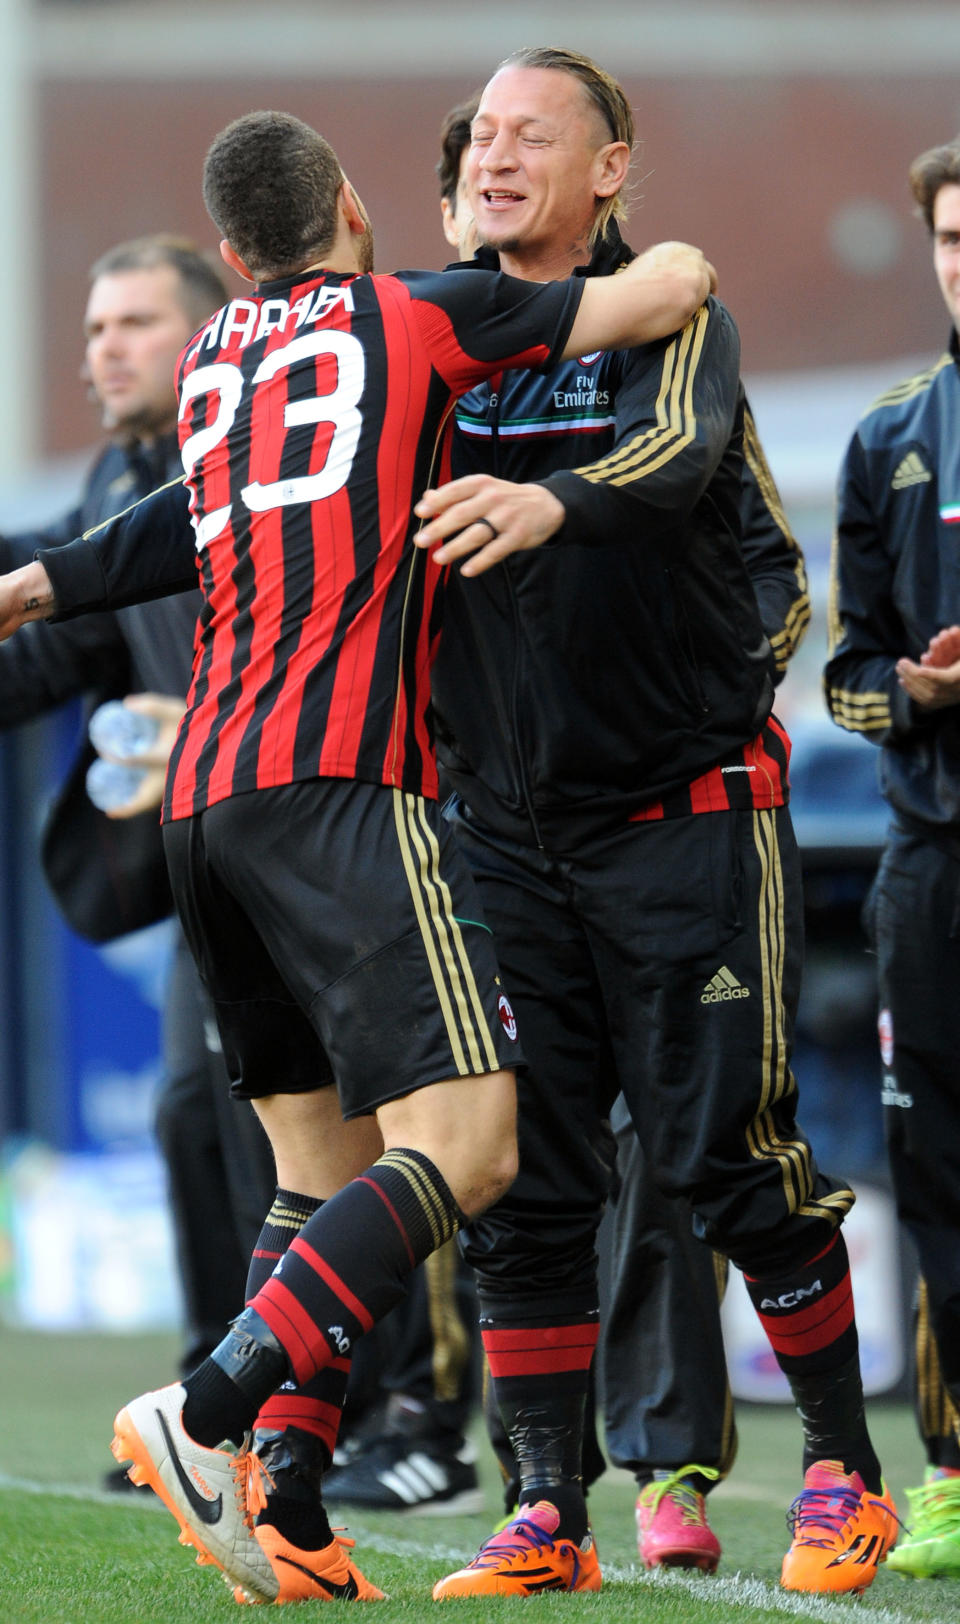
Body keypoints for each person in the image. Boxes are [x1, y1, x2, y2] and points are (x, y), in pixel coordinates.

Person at [0, 111, 714, 1605]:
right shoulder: (417, 311)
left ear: (232, 254)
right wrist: (654, 256)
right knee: (468, 1147)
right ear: (343, 204)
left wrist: (36, 585)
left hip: (203, 806)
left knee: (312, 1173)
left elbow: (163, 531)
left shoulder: (214, 368)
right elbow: (663, 293)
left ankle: (290, 1497)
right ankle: (205, 1415)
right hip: (339, 791)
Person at [409, 47, 894, 1599]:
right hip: (501, 829)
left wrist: (557, 503)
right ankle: (547, 1506)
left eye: (532, 133)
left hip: (682, 812)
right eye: (483, 131)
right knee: (527, 1180)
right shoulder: (430, 340)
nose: (497, 153)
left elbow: (683, 458)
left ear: (610, 167)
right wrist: (53, 580)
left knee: (726, 1158)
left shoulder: (675, 312)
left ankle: (842, 1471)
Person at [0, 235, 276, 1413]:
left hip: (318, 837)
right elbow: (54, 649)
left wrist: (204, 724)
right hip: (207, 859)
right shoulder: (118, 488)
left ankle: (392, 1410)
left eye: (131, 326)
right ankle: (211, 1401)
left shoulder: (269, 456)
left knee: (332, 1136)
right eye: (91, 330)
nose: (99, 353)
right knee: (189, 1113)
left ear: (208, 334)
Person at [824, 132, 960, 1580]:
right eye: (950, 237)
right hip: (935, 855)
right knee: (935, 1175)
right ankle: (955, 1475)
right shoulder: (893, 434)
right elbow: (848, 676)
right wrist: (912, 693)